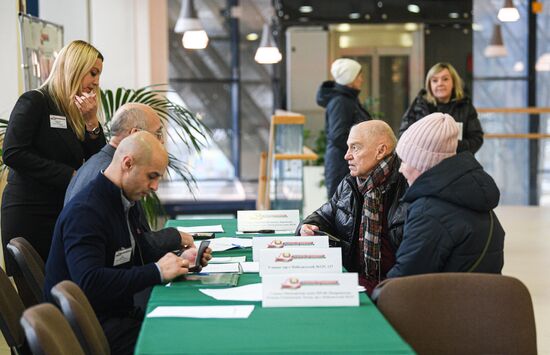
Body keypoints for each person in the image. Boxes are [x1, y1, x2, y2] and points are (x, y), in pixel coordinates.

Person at [44, 131, 212, 355]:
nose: (154, 187)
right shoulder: (86, 212)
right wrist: (157, 272)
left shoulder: (123, 199)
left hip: (115, 314)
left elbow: (136, 251)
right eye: (151, 176)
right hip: (90, 328)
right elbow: (89, 282)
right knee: (187, 342)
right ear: (127, 163)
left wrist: (179, 261)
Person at [2, 40, 106, 272]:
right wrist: (70, 175)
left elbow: (99, 161)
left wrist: (91, 122)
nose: (97, 81)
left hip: (61, 210)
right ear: (74, 67)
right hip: (30, 212)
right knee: (36, 294)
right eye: (93, 72)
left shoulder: (73, 111)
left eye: (98, 74)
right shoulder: (35, 101)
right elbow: (12, 153)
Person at [65, 102, 194, 271]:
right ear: (135, 135)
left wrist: (177, 258)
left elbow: (136, 244)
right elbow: (94, 276)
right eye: (158, 133)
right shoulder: (107, 177)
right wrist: (158, 270)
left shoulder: (106, 167)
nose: (162, 141)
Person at [296, 120, 407, 294]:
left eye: (355, 147)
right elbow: (325, 215)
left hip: (396, 288)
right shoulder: (350, 184)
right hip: (355, 283)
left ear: (381, 151)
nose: (346, 155)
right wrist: (306, 226)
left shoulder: (407, 184)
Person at [388, 112, 504, 278]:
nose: (401, 169)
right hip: (480, 301)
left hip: (444, 303)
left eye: (405, 161)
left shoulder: (428, 212)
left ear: (422, 163)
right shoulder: (478, 198)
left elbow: (403, 281)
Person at [399, 62, 483, 154]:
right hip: (423, 165)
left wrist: (452, 146)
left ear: (454, 82)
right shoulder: (418, 105)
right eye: (435, 80)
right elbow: (404, 135)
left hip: (457, 163)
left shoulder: (465, 106)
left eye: (445, 79)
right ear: (429, 85)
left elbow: (476, 139)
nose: (440, 84)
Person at [317, 58, 372, 198]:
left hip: (347, 164)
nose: (362, 79)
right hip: (342, 167)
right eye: (359, 75)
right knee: (342, 210)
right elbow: (338, 136)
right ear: (351, 78)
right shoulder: (340, 102)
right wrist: (362, 151)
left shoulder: (349, 99)